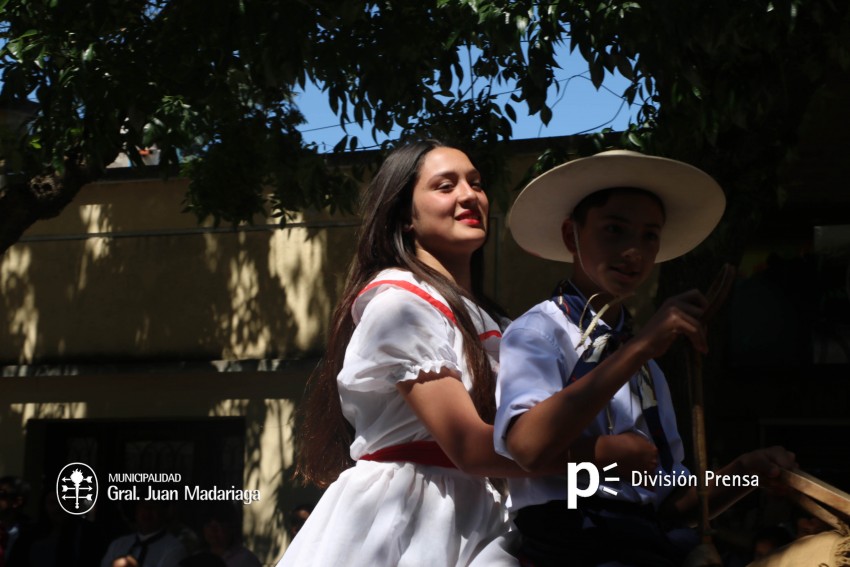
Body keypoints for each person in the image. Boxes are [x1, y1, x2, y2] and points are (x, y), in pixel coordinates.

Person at [494, 149, 798, 566]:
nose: (634, 251)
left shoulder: (647, 369)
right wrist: (641, 350)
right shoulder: (539, 333)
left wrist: (747, 473)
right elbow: (527, 447)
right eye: (615, 230)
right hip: (569, 545)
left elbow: (669, 506)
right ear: (572, 236)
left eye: (649, 236)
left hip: (640, 544)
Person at [277, 140, 532, 566]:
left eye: (477, 183)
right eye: (445, 186)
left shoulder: (492, 323)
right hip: (412, 519)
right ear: (404, 216)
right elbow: (470, 446)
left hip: (479, 513)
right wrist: (594, 457)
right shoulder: (401, 306)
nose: (470, 196)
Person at [100, 499, 187, 567]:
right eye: (143, 506)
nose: (147, 512)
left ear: (163, 512)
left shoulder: (174, 549)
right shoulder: (118, 544)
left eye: (153, 507)